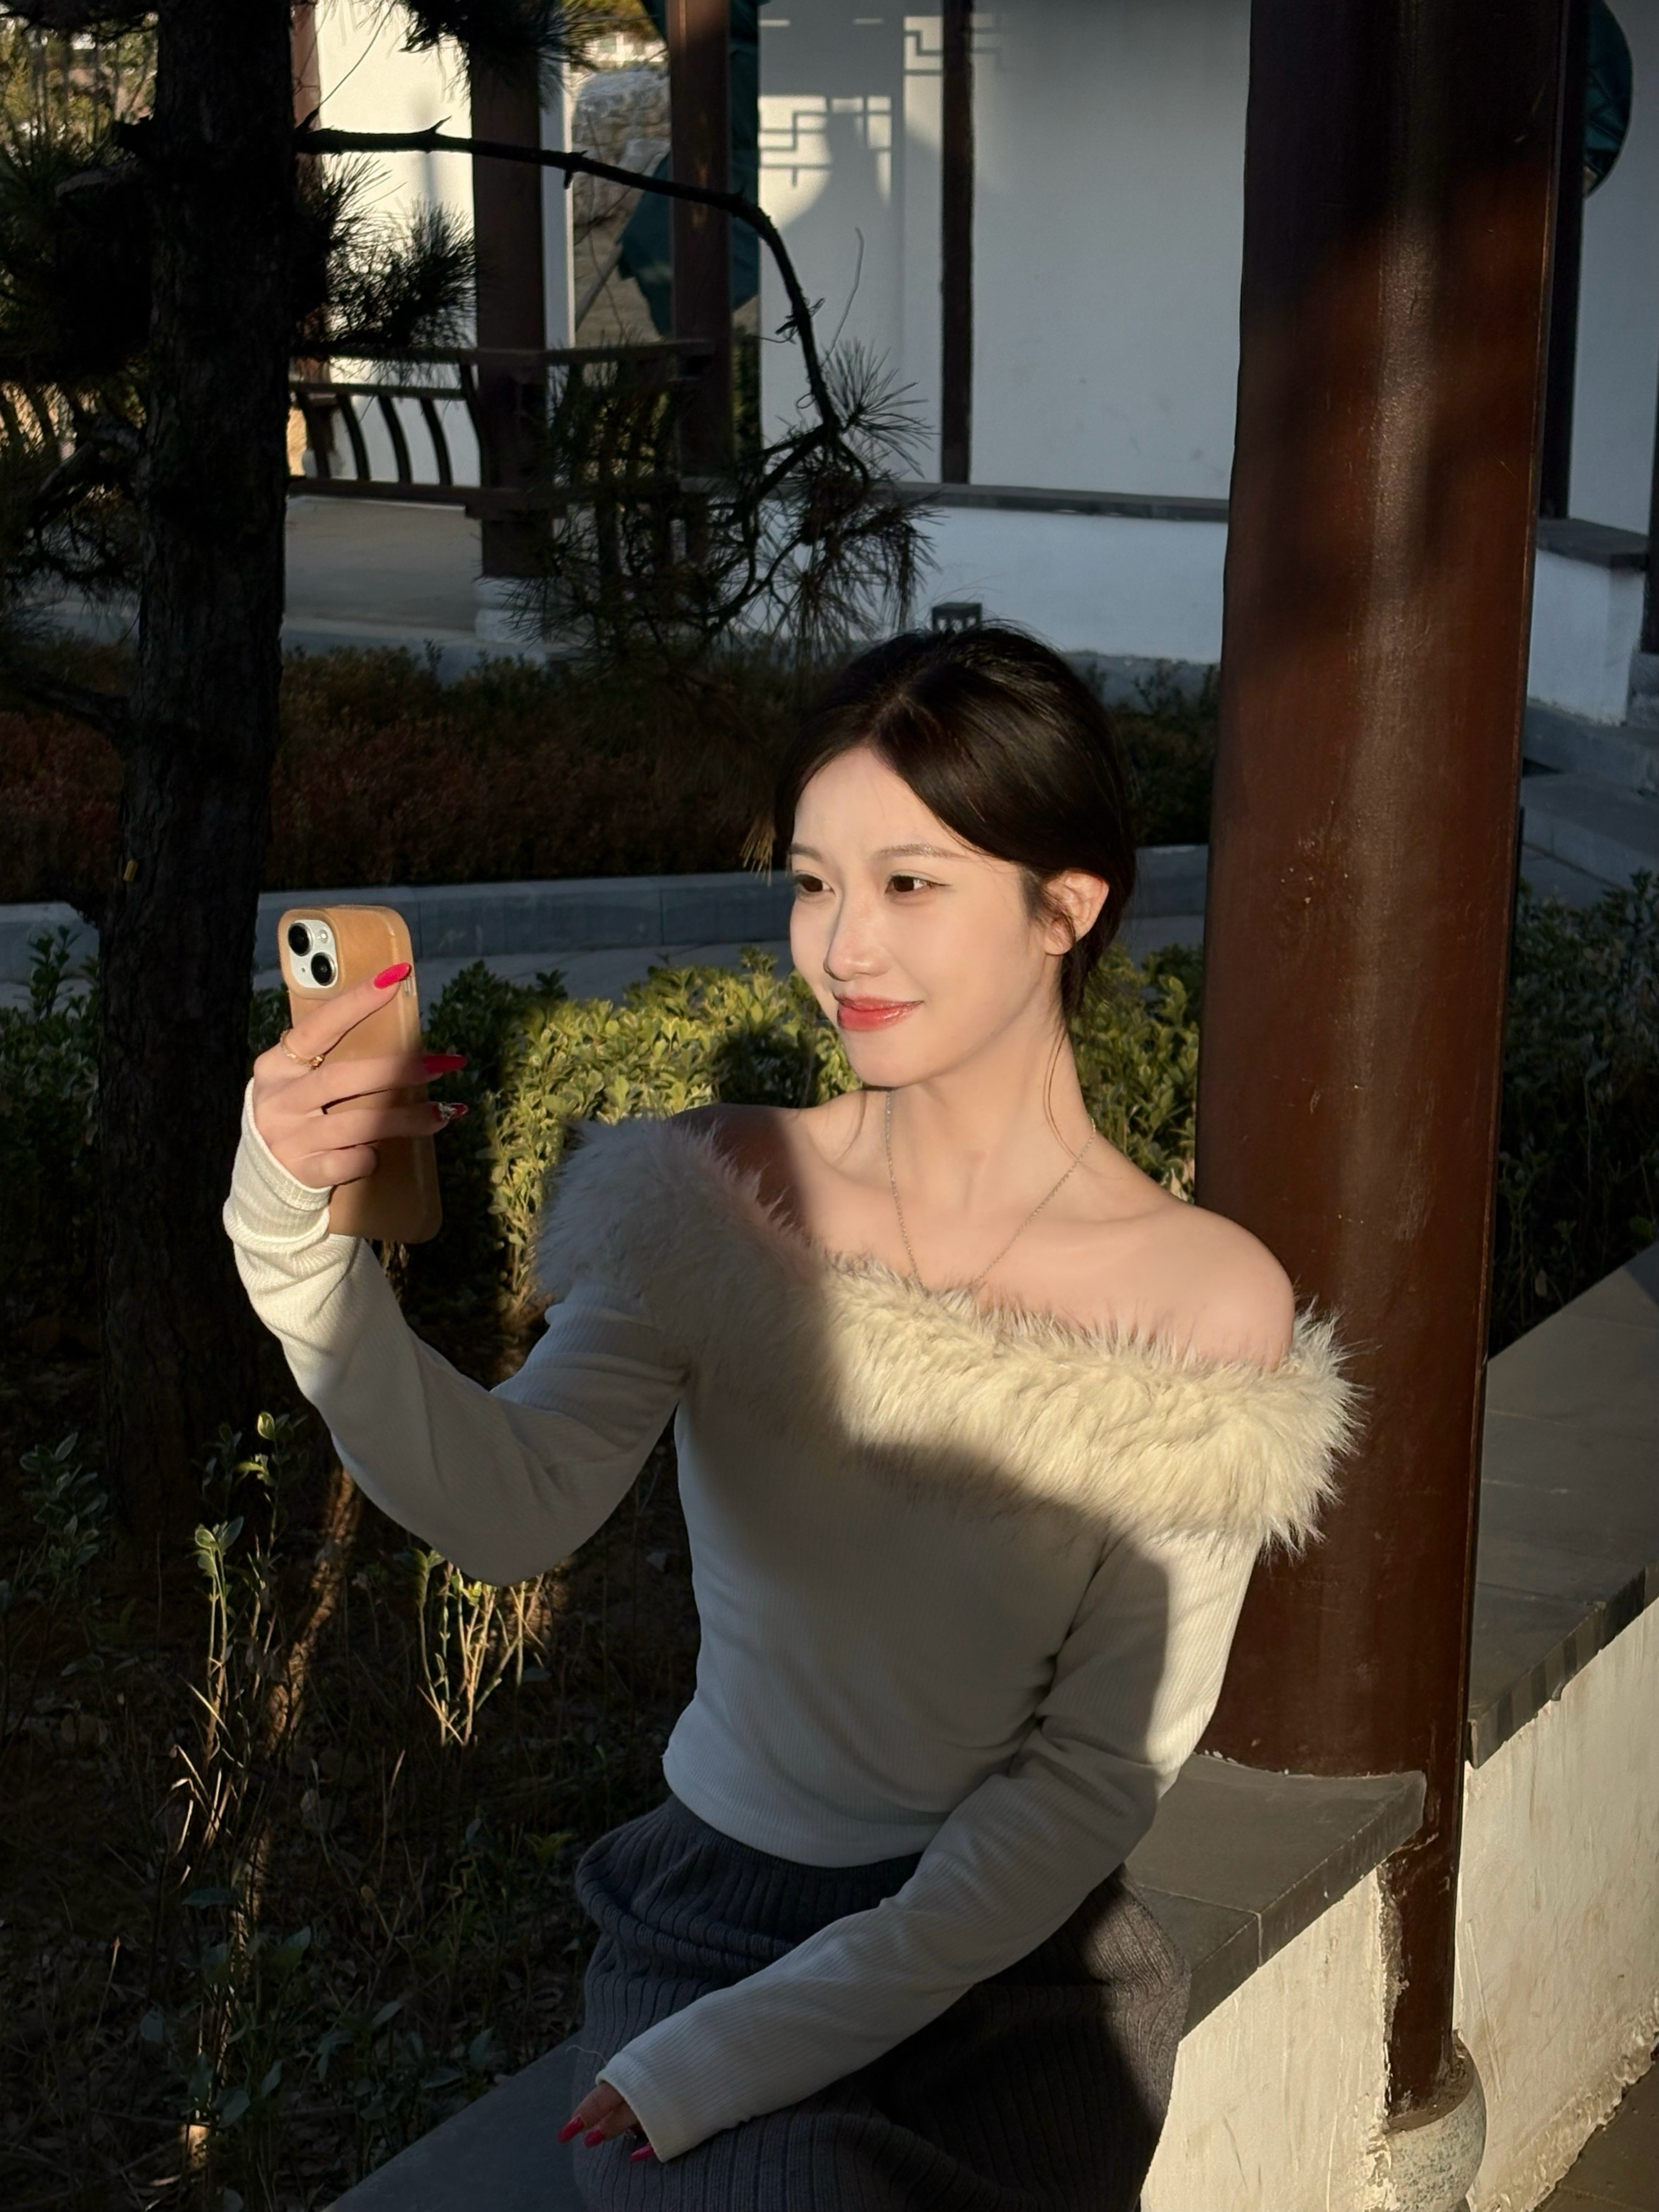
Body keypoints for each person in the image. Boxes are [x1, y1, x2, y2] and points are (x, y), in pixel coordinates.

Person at [223, 625, 1355, 2211]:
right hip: (716, 1920)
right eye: (814, 884)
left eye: (910, 882)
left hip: (1016, 1972)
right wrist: (292, 1239)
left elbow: (1094, 1776)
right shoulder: (719, 1191)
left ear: (1067, 904)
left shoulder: (1203, 1302)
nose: (842, 947)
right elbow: (514, 1504)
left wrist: (736, 2056)